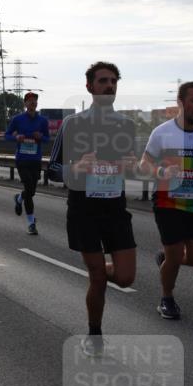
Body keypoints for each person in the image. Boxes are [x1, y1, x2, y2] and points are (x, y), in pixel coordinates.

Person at [47, 63, 138, 355]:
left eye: (113, 81)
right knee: (98, 277)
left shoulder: (126, 125)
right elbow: (53, 169)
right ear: (89, 86)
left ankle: (97, 268)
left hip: (115, 208)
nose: (109, 86)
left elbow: (133, 164)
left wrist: (132, 166)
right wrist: (77, 167)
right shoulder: (73, 124)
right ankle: (94, 334)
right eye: (103, 81)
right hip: (84, 209)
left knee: (125, 278)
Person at [140, 81, 193, 320]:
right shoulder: (162, 132)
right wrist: (160, 173)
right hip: (167, 202)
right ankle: (167, 298)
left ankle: (165, 259)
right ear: (180, 102)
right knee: (176, 256)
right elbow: (144, 163)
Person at [5, 92, 50, 234]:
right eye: (30, 101)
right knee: (29, 191)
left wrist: (41, 136)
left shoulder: (43, 121)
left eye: (34, 101)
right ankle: (31, 224)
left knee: (32, 191)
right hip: (22, 159)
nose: (32, 103)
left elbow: (48, 138)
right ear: (25, 104)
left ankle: (19, 198)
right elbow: (6, 135)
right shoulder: (17, 119)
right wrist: (16, 137)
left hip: (35, 160)